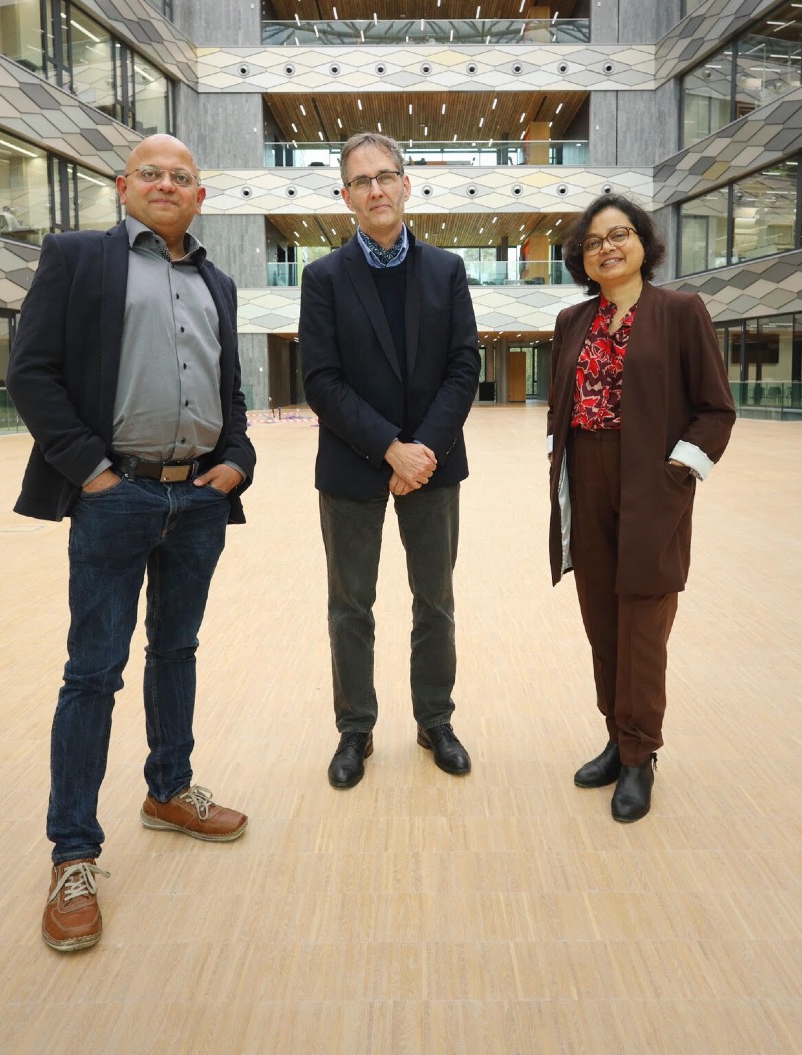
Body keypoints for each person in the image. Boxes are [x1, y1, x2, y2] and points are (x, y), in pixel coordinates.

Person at [6, 133, 256, 952]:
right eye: (151, 172)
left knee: (176, 649)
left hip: (199, 498)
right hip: (116, 495)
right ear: (123, 186)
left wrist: (237, 463)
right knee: (93, 672)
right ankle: (72, 852)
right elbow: (32, 373)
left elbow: (230, 388)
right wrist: (93, 475)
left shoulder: (214, 278)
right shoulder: (78, 258)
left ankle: (169, 788)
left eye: (182, 175)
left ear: (199, 198)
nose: (166, 183)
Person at [546, 193, 735, 823]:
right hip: (589, 477)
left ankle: (640, 756)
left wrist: (680, 471)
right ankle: (614, 736)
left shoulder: (680, 312)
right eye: (595, 241)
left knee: (643, 627)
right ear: (584, 258)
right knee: (602, 623)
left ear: (642, 244)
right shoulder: (573, 322)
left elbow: (716, 409)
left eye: (619, 234)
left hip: (652, 483)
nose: (608, 248)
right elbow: (559, 408)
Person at [300, 131, 480, 789]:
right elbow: (320, 380)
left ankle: (436, 719)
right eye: (361, 180)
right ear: (346, 197)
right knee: (351, 605)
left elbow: (465, 365)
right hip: (354, 467)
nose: (375, 188)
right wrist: (389, 448)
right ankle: (356, 729)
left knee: (435, 599)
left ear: (406, 184)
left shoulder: (446, 270)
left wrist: (422, 451)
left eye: (386, 175)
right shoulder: (322, 279)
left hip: (433, 465)